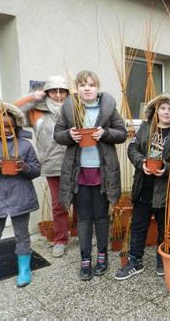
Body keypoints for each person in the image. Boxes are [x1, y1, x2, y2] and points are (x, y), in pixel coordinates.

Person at [54, 70, 127, 281]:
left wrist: (105, 133)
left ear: (98, 87)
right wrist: (69, 135)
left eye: (91, 85)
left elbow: (121, 133)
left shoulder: (109, 107)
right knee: (84, 218)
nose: (87, 88)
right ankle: (85, 259)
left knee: (101, 216)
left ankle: (102, 256)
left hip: (103, 173)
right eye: (83, 85)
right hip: (78, 173)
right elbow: (57, 134)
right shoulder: (69, 108)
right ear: (77, 89)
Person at [115, 93, 170, 280]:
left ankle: (163, 259)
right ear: (156, 110)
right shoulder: (145, 127)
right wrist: (141, 162)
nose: (166, 112)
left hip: (167, 187)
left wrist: (167, 168)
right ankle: (135, 261)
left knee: (165, 225)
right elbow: (132, 148)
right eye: (163, 108)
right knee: (139, 224)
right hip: (144, 184)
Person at [0, 102, 41, 292]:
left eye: (11, 126)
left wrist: (25, 167)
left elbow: (36, 169)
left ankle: (24, 270)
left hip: (20, 197)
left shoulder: (24, 144)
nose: (7, 130)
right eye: (2, 126)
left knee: (22, 236)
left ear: (16, 124)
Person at [15, 75, 75, 258]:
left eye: (62, 91)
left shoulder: (74, 109)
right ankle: (60, 240)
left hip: (75, 161)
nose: (58, 95)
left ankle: (83, 233)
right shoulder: (36, 111)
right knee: (59, 205)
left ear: (67, 93)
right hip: (52, 163)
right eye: (53, 91)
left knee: (81, 202)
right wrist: (33, 97)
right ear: (47, 92)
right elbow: (12, 110)